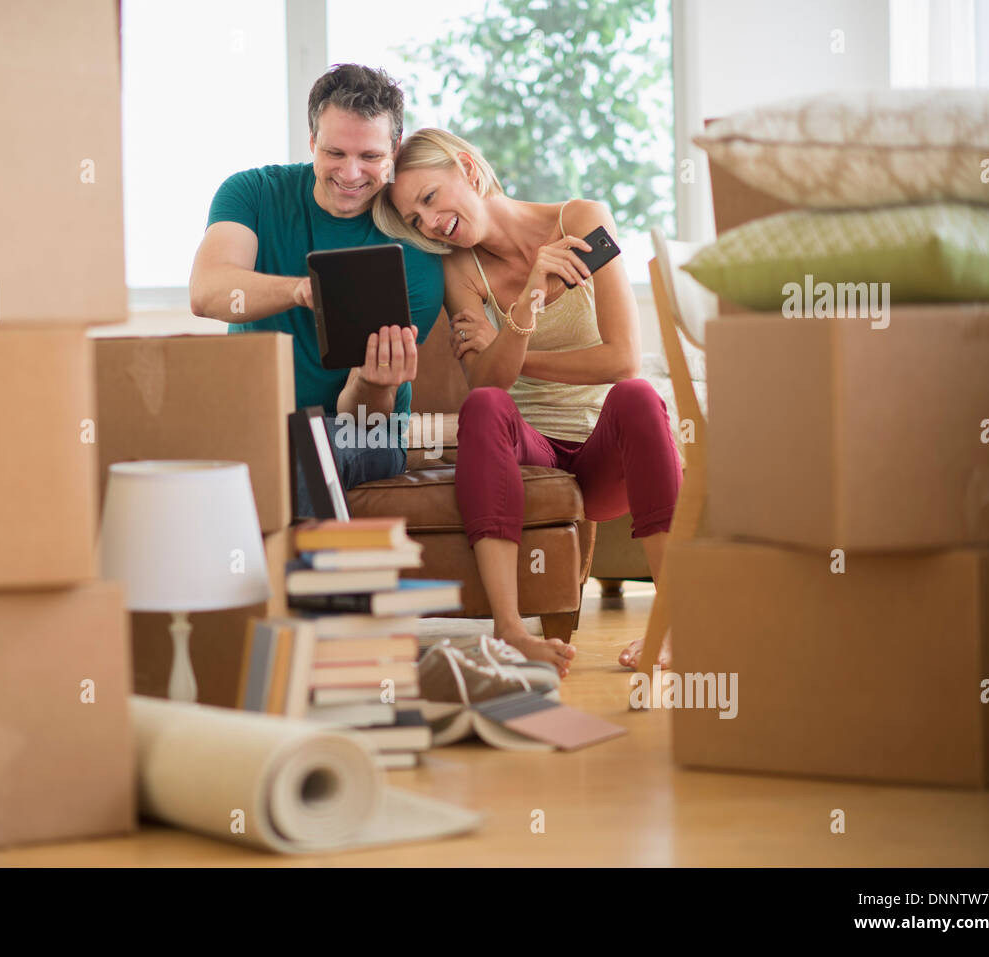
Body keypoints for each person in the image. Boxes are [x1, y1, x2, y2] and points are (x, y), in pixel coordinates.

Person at [373, 128, 682, 675]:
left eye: (428, 199)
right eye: (417, 221)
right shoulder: (458, 270)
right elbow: (489, 388)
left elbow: (622, 359)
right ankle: (511, 631)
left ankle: (676, 624)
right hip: (530, 452)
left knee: (638, 396)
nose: (430, 222)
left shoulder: (583, 222)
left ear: (467, 168)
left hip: (603, 458)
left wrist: (511, 349)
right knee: (486, 409)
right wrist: (527, 308)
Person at [189, 65, 445, 518]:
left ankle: (308, 588)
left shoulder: (414, 251)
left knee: (308, 442)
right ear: (311, 142)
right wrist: (307, 290)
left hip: (363, 430)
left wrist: (371, 379)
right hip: (259, 419)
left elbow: (359, 413)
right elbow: (208, 291)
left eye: (369, 156)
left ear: (394, 151)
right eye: (334, 152)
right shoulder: (253, 193)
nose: (350, 173)